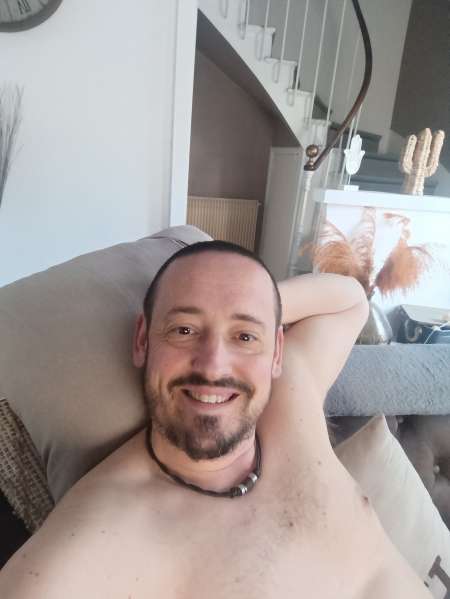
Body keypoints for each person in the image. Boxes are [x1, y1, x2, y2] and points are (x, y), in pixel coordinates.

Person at [0, 240, 432, 598]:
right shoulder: (105, 533)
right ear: (142, 340)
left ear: (276, 353)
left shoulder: (291, 402)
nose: (212, 366)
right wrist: (245, 320)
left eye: (244, 336)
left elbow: (349, 300)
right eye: (184, 330)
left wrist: (255, 305)